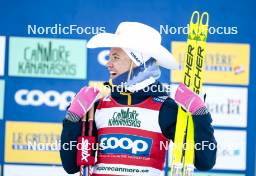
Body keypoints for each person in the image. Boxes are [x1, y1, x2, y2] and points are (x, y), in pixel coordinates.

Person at [60, 22, 217, 176]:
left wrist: (200, 114)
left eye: (115, 57)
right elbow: (71, 166)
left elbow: (205, 162)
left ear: (138, 61)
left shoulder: (164, 108)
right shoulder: (99, 107)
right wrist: (72, 117)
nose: (108, 64)